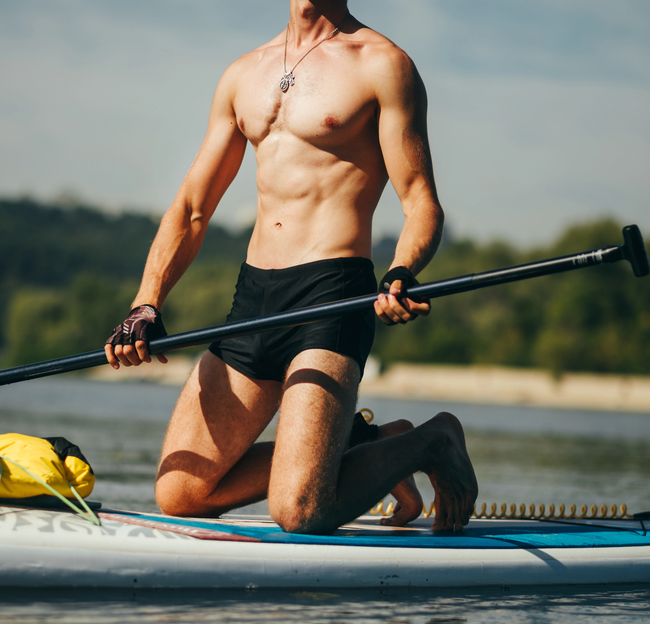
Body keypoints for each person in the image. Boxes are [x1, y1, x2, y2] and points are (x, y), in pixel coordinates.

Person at [104, 0, 477, 534]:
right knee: (181, 492)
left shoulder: (381, 64)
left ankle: (432, 441)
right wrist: (146, 304)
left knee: (299, 511)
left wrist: (401, 270)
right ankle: (364, 441)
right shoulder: (243, 74)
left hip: (331, 296)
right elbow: (191, 208)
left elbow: (420, 200)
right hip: (254, 299)